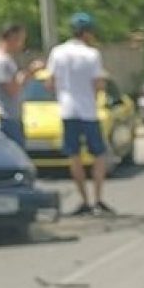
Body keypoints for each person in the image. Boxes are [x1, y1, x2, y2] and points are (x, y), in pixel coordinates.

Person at [45, 13, 113, 216]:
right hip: (88, 110)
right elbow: (98, 84)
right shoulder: (92, 55)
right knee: (99, 154)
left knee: (74, 155)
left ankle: (84, 199)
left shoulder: (57, 52)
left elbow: (49, 83)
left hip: (67, 109)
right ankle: (98, 199)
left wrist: (62, 92)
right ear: (87, 33)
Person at [0, 23, 30, 148]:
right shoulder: (2, 61)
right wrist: (28, 73)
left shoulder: (3, 59)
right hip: (8, 117)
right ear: (12, 38)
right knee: (16, 154)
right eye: (20, 39)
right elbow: (12, 89)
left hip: (11, 116)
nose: (22, 44)